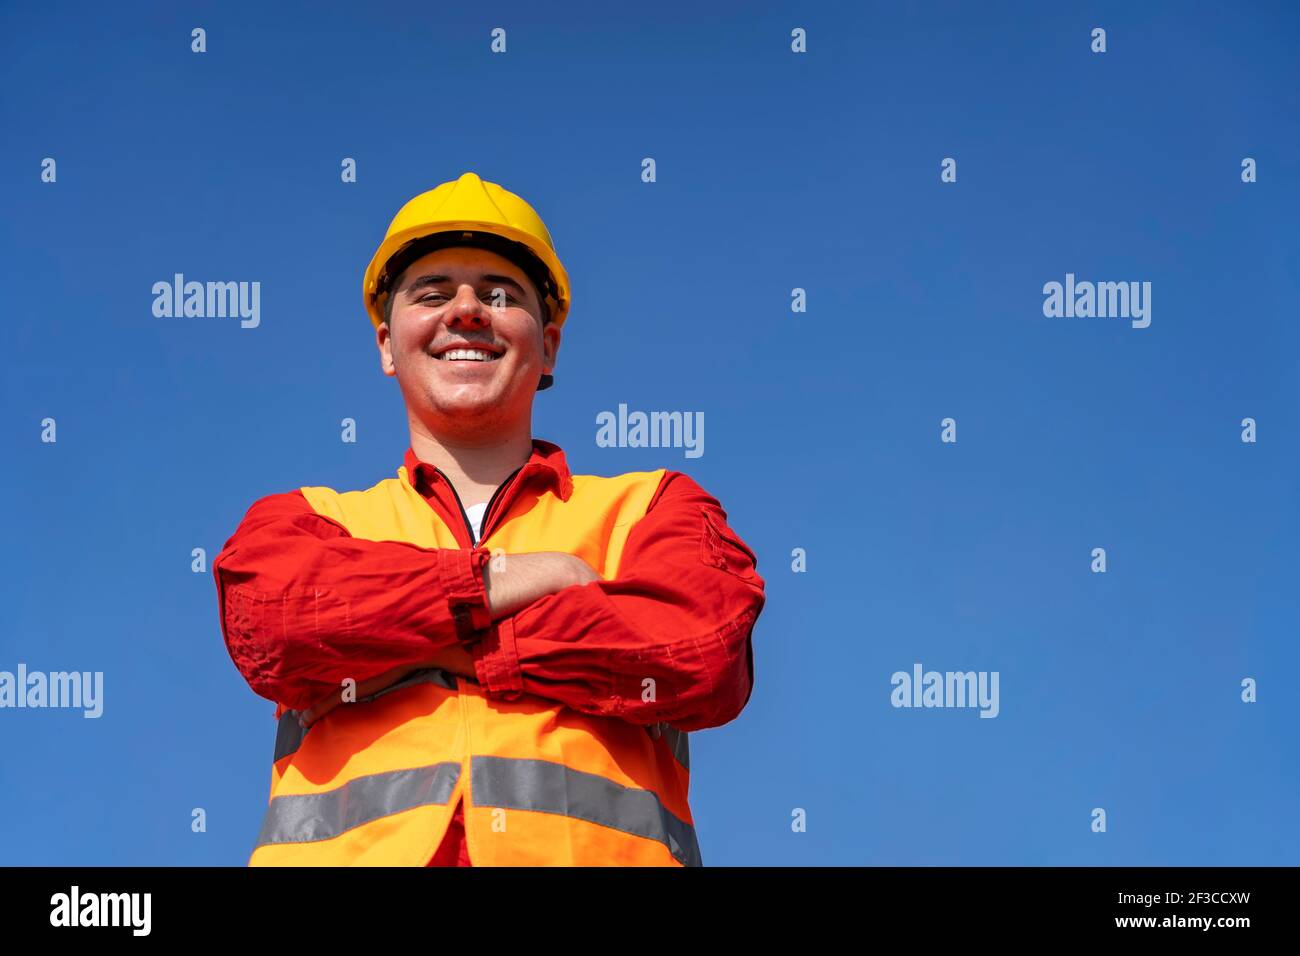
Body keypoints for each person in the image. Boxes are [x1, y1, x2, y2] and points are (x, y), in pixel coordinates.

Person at [212, 171, 766, 866]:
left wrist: (419, 634)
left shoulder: (654, 506)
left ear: (551, 346)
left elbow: (701, 654)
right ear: (386, 344)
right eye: (433, 292)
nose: (467, 310)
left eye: (500, 294)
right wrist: (504, 581)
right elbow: (273, 621)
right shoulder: (307, 522)